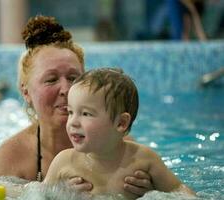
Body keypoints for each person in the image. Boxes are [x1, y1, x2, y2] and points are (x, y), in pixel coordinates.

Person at [0, 15, 154, 197]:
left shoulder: (122, 149)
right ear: (26, 92)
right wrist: (54, 193)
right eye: (51, 80)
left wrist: (148, 192)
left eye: (73, 78)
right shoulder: (12, 156)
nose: (66, 89)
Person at [43, 68, 196, 199]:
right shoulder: (64, 162)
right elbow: (38, 195)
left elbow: (179, 191)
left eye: (86, 114)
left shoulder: (144, 160)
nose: (73, 122)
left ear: (121, 123)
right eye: (70, 112)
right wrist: (60, 194)